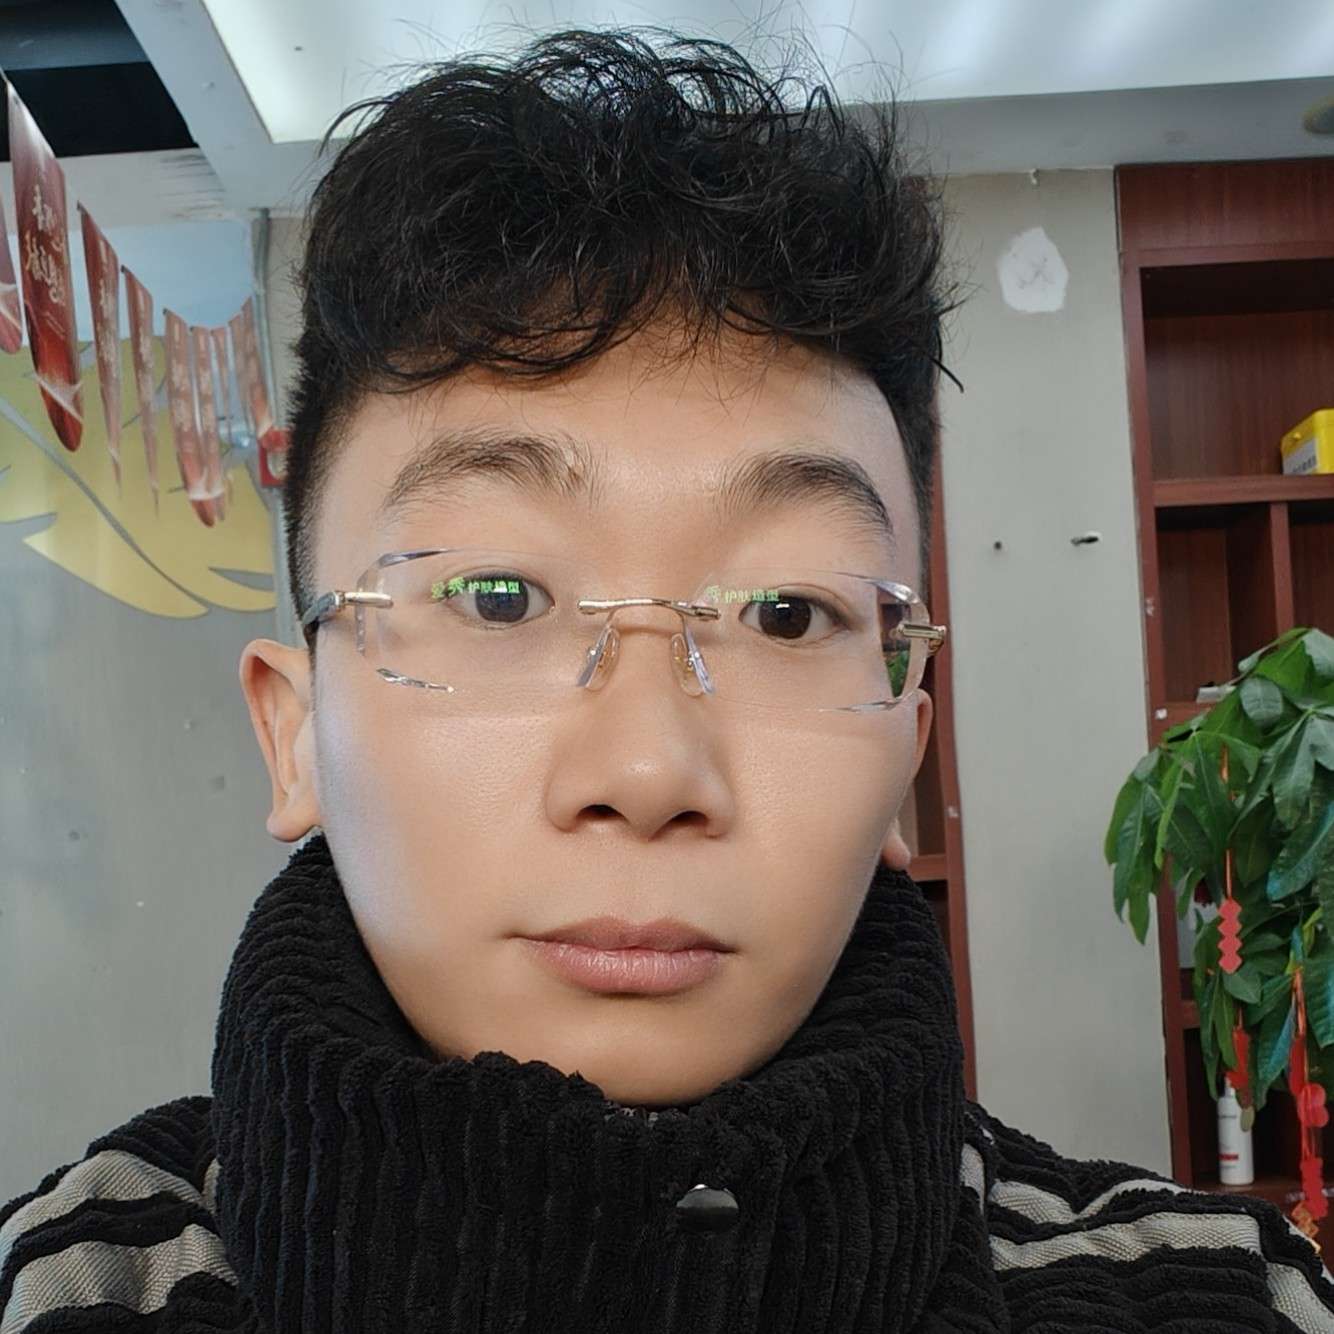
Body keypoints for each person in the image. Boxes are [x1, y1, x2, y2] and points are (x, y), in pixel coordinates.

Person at [3, 26, 1333, 1333]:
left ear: (905, 753)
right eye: (499, 595)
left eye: (785, 612)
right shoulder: (60, 1288)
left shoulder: (1227, 1298)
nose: (646, 771)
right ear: (294, 732)